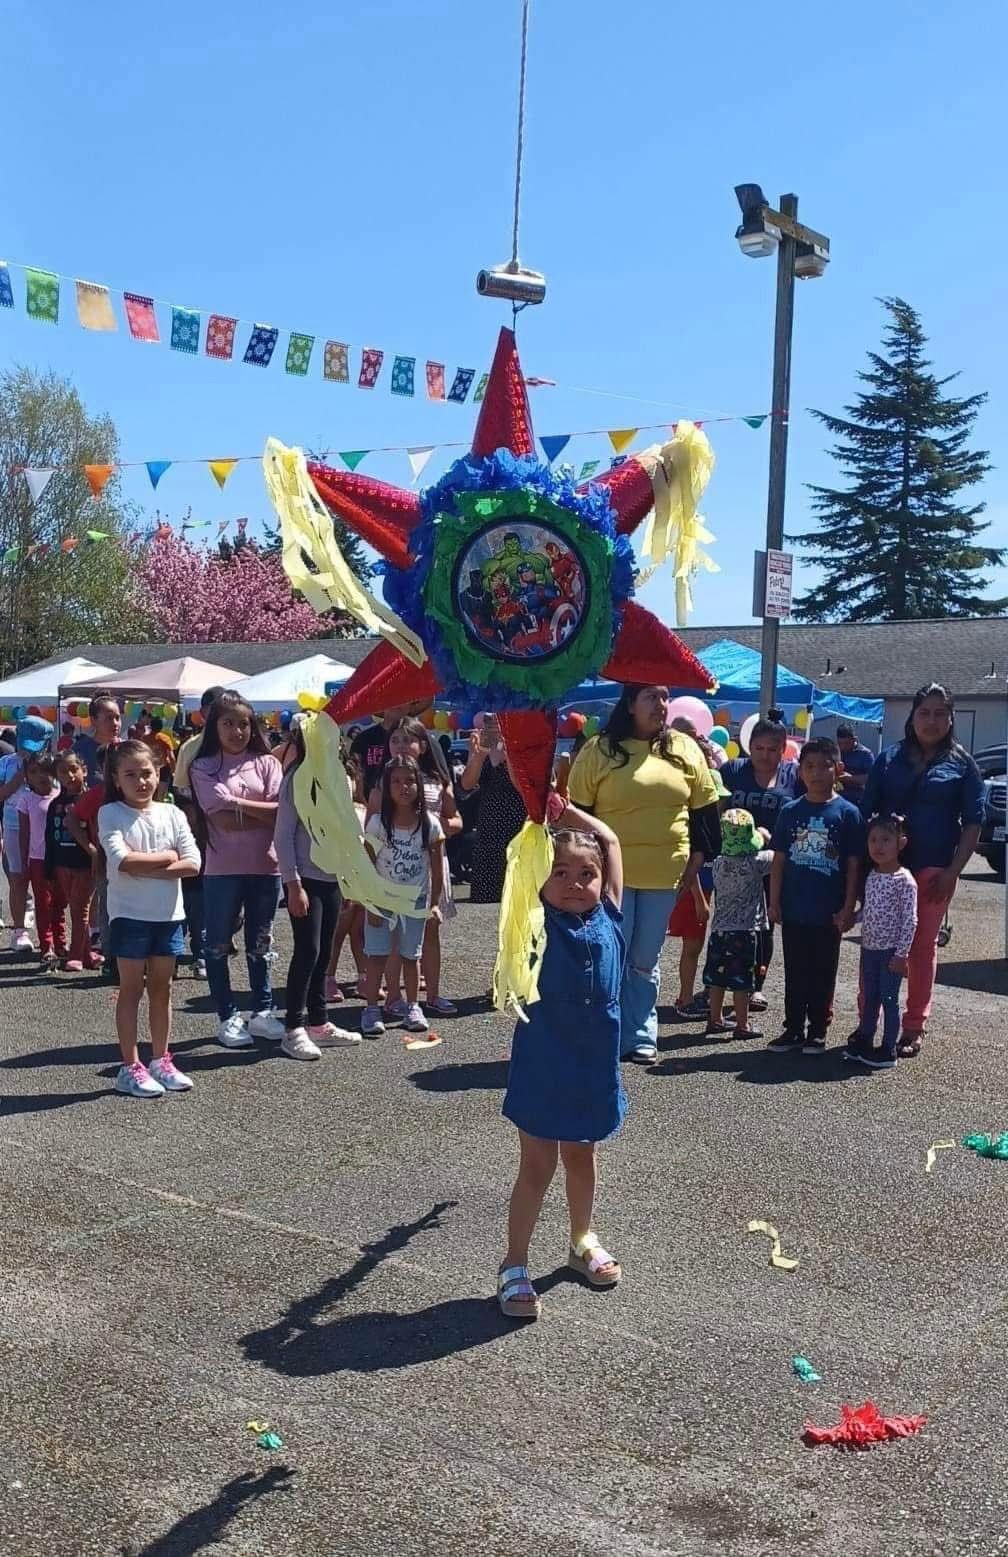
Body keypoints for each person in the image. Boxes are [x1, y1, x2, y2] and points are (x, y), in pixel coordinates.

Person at [497, 807, 625, 1322]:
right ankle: (513, 1263)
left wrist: (562, 805)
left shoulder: (611, 914)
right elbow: (522, 865)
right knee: (537, 1165)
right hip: (544, 1065)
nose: (574, 883)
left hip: (593, 1069)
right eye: (561, 873)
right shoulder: (535, 918)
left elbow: (611, 839)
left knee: (581, 1157)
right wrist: (535, 817)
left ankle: (580, 1241)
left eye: (586, 874)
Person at [567, 684, 721, 1064]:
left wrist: (697, 861)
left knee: (644, 958)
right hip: (610, 877)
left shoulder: (684, 749)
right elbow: (577, 814)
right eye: (652, 697)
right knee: (610, 955)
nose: (661, 705)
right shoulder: (598, 750)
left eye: (665, 697)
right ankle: (607, 1029)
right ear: (630, 704)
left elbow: (705, 812)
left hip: (665, 875)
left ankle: (640, 1034)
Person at [860, 683, 983, 1058]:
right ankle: (868, 1022)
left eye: (939, 713)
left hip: (934, 870)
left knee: (920, 949)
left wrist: (952, 872)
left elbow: (973, 824)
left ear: (951, 718)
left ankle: (913, 1026)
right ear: (912, 717)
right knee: (875, 945)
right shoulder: (888, 759)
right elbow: (868, 810)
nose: (931, 720)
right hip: (887, 870)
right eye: (924, 712)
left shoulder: (962, 764)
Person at [98, 741, 200, 1098]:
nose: (141, 781)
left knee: (163, 987)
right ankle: (130, 1066)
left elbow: (193, 863)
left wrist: (153, 865)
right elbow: (122, 860)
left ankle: (161, 1059)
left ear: (159, 774)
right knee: (131, 989)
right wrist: (167, 858)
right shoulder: (111, 813)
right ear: (116, 778)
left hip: (169, 916)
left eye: (147, 773)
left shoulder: (173, 814)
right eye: (131, 775)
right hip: (129, 916)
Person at [189, 697, 284, 1049]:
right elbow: (217, 815)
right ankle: (227, 1016)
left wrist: (236, 803)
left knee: (261, 943)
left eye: (243, 724)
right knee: (216, 944)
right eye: (228, 723)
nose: (237, 731)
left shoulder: (267, 762)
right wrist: (260, 812)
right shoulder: (204, 766)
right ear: (214, 727)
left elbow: (281, 812)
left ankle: (262, 1011)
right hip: (222, 870)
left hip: (267, 866)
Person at [768, 738, 865, 1054]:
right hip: (795, 908)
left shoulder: (848, 813)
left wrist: (848, 907)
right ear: (799, 771)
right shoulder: (790, 811)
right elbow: (779, 859)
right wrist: (774, 901)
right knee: (795, 970)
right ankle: (793, 1027)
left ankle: (818, 1030)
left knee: (823, 971)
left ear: (838, 769)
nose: (817, 772)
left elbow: (853, 865)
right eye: (809, 766)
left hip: (829, 912)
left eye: (824, 765)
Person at [274, 719, 360, 1060]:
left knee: (324, 953)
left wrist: (350, 877)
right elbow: (282, 836)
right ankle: (293, 1028)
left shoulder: (339, 779)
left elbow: (345, 832)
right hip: (305, 880)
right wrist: (293, 884)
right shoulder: (296, 778)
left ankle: (319, 1022)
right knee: (307, 951)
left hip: (331, 878)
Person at [367, 717, 462, 1018]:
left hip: (428, 863)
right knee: (394, 938)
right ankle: (394, 997)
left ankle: (431, 994)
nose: (401, 745)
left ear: (423, 744)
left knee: (428, 932)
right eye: (395, 739)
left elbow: (457, 819)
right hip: (391, 871)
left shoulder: (437, 781)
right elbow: (371, 833)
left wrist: (432, 827)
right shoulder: (385, 782)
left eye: (408, 739)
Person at [719, 718, 803, 1012]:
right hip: (735, 867)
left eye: (772, 749)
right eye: (758, 747)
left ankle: (755, 987)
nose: (764, 754)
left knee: (765, 926)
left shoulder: (794, 775)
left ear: (783, 750)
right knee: (729, 925)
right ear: (748, 746)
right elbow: (716, 810)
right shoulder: (732, 771)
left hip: (775, 865)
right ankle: (719, 982)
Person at [361, 756, 445, 1038]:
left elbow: (436, 867)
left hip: (415, 901)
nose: (404, 787)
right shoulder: (377, 824)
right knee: (377, 955)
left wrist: (434, 904)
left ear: (419, 785)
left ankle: (412, 1006)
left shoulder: (429, 824)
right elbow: (366, 863)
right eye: (396, 781)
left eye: (410, 780)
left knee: (412, 956)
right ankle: (372, 1007)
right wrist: (369, 902)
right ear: (387, 787)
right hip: (382, 899)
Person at [844, 813, 918, 1072]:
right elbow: (871, 908)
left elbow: (910, 921)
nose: (878, 846)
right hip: (869, 948)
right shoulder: (873, 876)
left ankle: (888, 1049)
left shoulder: (905, 881)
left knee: (889, 999)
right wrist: (854, 916)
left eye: (886, 839)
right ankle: (865, 1038)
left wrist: (901, 954)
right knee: (871, 996)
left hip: (890, 953)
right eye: (873, 839)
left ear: (901, 843)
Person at [701, 809, 773, 1041]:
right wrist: (763, 834)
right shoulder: (756, 862)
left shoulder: (719, 863)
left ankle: (715, 1019)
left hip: (719, 930)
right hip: (744, 932)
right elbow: (775, 854)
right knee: (742, 981)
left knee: (717, 978)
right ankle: (742, 1024)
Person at [0, 715, 54, 951]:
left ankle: (50, 931)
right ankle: (19, 931)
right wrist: (20, 776)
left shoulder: (52, 762)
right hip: (13, 826)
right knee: (18, 877)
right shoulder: (6, 762)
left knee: (49, 879)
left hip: (45, 826)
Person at [460, 718, 527, 904]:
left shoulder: (520, 746)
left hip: (517, 819)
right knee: (487, 894)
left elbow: (523, 787)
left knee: (517, 894)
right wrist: (478, 755)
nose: (495, 727)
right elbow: (466, 784)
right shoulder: (481, 746)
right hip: (489, 822)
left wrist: (509, 755)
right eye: (490, 723)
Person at [46, 751, 99, 971]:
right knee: (75, 909)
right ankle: (87, 955)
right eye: (63, 771)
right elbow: (49, 836)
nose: (69, 775)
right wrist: (48, 867)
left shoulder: (91, 800)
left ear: (84, 770)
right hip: (62, 863)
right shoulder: (55, 804)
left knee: (81, 909)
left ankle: (75, 955)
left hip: (85, 863)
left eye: (73, 769)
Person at [15, 754, 62, 969]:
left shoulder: (60, 794)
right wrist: (24, 863)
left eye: (44, 769)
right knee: (44, 904)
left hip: (62, 859)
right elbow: (24, 834)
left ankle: (62, 944)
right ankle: (48, 946)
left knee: (61, 903)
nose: (40, 776)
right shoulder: (26, 799)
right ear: (26, 776)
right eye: (33, 772)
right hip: (38, 859)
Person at [350, 710, 405, 799]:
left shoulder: (418, 738)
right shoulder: (363, 738)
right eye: (389, 697)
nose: (397, 703)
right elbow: (353, 773)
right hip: (368, 804)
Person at [74, 695, 122, 786]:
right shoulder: (79, 750)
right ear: (93, 720)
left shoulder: (128, 749)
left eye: (117, 718)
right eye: (109, 718)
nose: (115, 723)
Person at [836, 724, 874, 799]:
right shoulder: (837, 751)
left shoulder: (865, 754)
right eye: (840, 743)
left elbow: (871, 778)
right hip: (839, 795)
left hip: (858, 796)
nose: (843, 747)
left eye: (846, 743)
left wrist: (850, 778)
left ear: (855, 739)